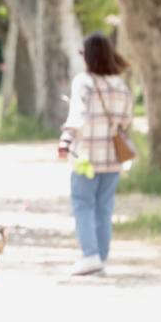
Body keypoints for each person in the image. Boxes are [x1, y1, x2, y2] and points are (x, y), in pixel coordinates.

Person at [57, 32, 133, 276]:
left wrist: (67, 138)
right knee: (104, 208)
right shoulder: (121, 85)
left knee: (83, 204)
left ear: (88, 56)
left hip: (86, 156)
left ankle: (90, 255)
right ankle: (101, 256)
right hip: (113, 157)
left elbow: (77, 114)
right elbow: (126, 120)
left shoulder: (84, 81)